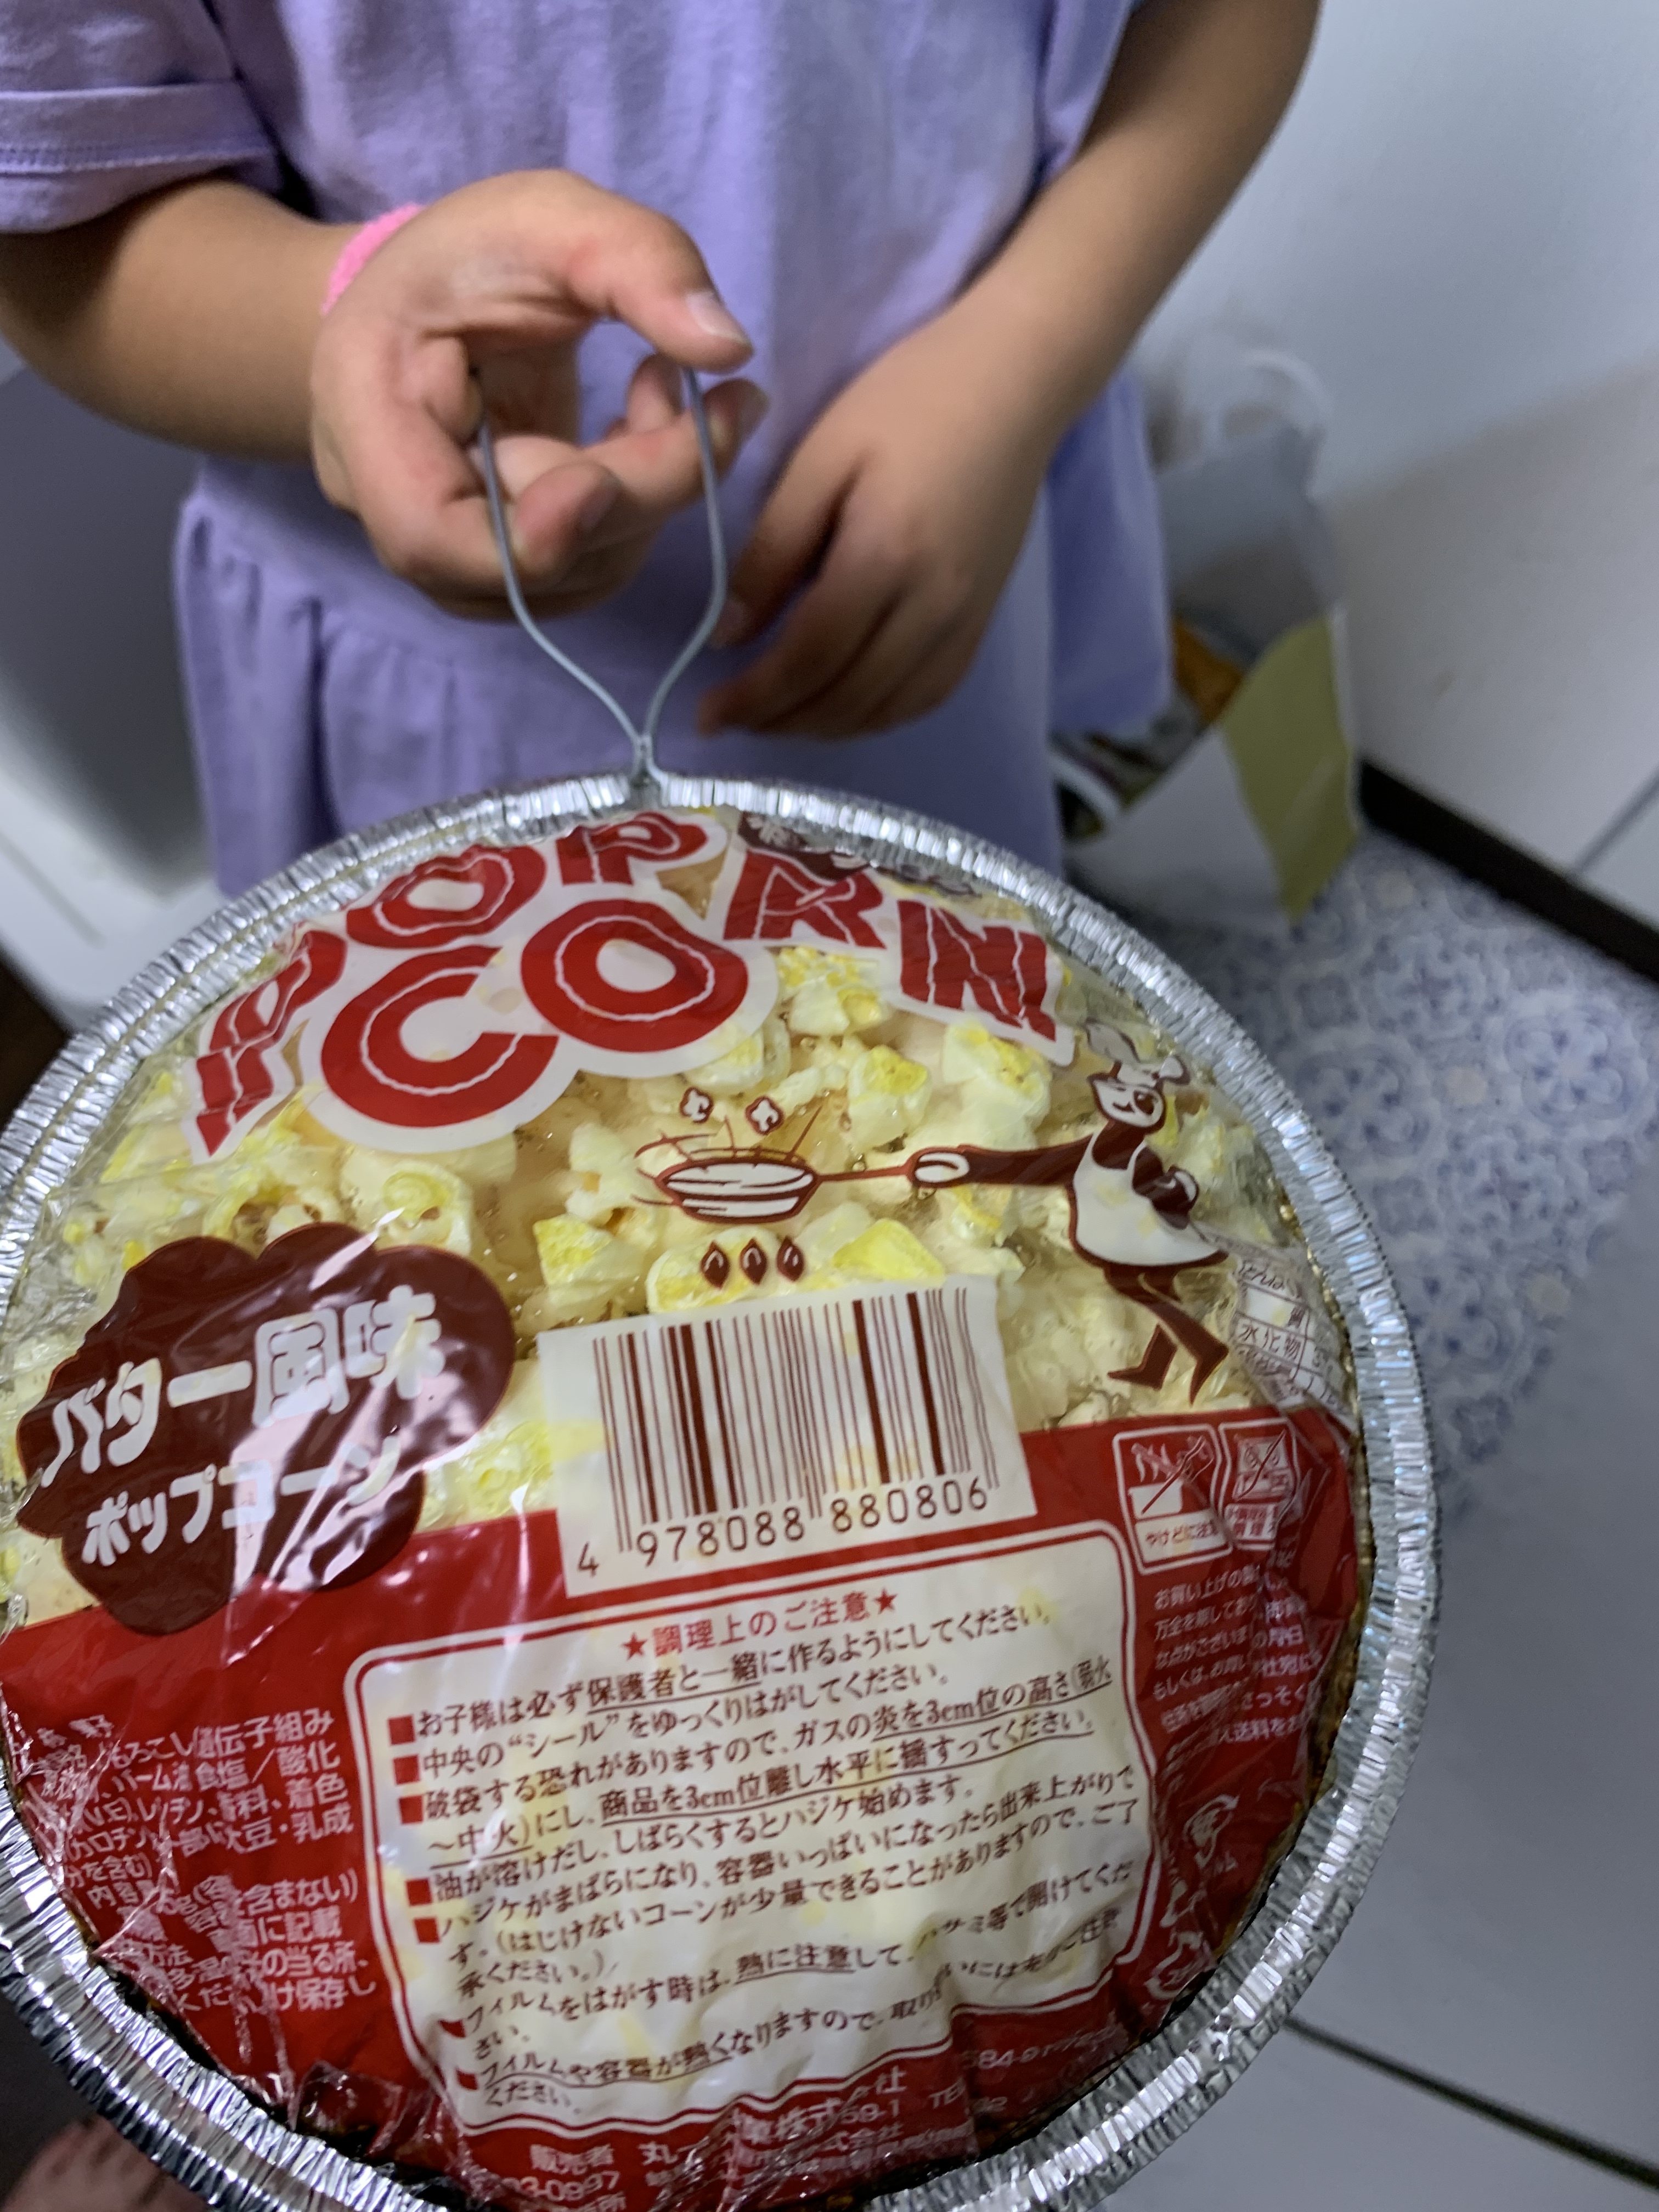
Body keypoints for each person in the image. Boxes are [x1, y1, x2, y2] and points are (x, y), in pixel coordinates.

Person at [0, 1, 1316, 901]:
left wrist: (1021, 352)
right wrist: (350, 318)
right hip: (452, 699)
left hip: (943, 547)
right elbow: (62, 227)